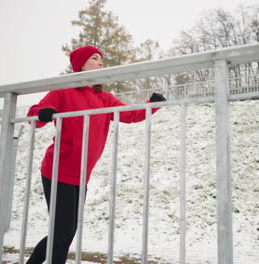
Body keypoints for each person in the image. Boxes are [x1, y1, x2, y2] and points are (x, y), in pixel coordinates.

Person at [26, 46, 166, 263]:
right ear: (80, 65)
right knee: (62, 232)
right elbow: (34, 114)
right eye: (94, 58)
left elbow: (129, 114)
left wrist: (152, 104)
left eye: (102, 59)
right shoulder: (64, 90)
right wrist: (42, 114)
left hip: (81, 175)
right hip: (57, 169)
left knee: (65, 232)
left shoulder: (105, 98)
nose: (100, 62)